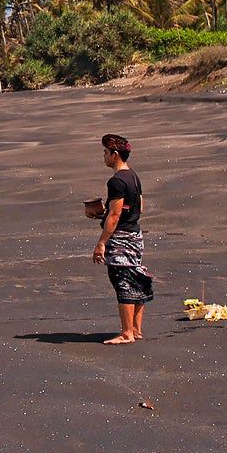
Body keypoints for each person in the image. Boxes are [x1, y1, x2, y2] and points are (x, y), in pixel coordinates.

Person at [87, 132, 151, 344]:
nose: (103, 156)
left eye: (105, 152)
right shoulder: (133, 175)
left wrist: (101, 243)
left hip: (121, 237)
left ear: (115, 154)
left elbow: (115, 216)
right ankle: (135, 329)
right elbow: (138, 206)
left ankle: (127, 333)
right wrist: (103, 212)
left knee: (123, 281)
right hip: (135, 235)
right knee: (136, 279)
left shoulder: (116, 181)